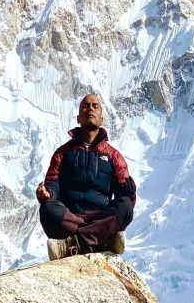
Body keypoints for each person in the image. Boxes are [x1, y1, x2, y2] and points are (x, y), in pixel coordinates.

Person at [36, 94, 136, 261]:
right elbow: (53, 184)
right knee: (47, 209)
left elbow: (126, 197)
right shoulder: (63, 153)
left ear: (102, 119)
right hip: (71, 216)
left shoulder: (113, 156)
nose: (90, 108)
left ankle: (73, 244)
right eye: (85, 106)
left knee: (125, 207)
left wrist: (130, 193)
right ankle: (101, 240)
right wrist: (47, 194)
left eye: (95, 106)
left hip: (100, 215)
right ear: (78, 118)